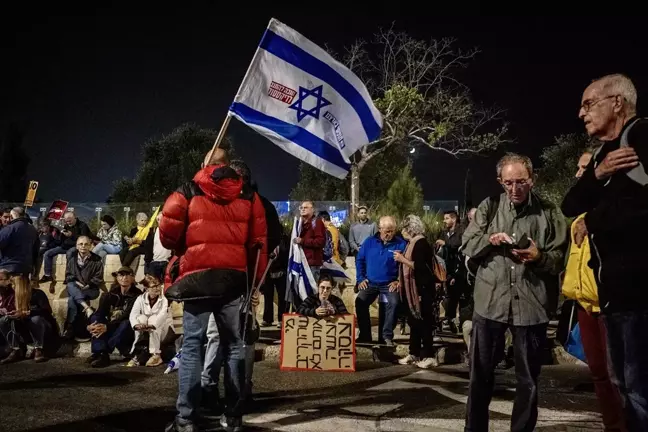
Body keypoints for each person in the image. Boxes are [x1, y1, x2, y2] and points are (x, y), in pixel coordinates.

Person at [561, 74, 648, 430]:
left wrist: (593, 221)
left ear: (617, 102)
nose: (581, 113)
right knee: (623, 389)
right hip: (613, 298)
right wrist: (598, 173)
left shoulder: (642, 137)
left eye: (588, 104)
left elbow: (639, 208)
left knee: (640, 392)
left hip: (642, 297)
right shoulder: (603, 154)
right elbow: (570, 204)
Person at [161, 144, 267, 432]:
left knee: (193, 346)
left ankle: (186, 419)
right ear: (229, 164)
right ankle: (233, 417)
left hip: (197, 278)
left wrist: (184, 243)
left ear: (206, 163)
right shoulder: (248, 194)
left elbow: (167, 232)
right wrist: (254, 283)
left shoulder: (189, 190)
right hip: (233, 280)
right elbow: (258, 244)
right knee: (234, 346)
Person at [462, 153, 567, 432]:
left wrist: (538, 256)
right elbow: (468, 245)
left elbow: (560, 259)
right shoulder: (490, 206)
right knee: (479, 377)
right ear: (500, 182)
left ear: (532, 179)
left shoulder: (549, 212)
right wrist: (489, 239)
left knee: (528, 380)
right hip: (490, 303)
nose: (514, 188)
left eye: (521, 181)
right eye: (508, 183)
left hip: (532, 306)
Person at [562, 149, 625, 431]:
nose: (579, 173)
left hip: (612, 307)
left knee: (621, 377)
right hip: (585, 304)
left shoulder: (619, 209)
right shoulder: (577, 219)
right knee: (599, 373)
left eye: (585, 168)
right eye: (579, 168)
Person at [394, 215, 442, 369]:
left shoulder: (420, 244)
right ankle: (413, 353)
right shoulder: (412, 244)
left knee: (424, 323)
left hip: (422, 290)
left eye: (404, 229)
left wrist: (403, 260)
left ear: (410, 229)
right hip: (414, 291)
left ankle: (428, 355)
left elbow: (421, 267)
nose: (402, 232)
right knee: (414, 322)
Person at [355, 216, 407, 346]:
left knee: (394, 303)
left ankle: (386, 336)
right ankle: (365, 335)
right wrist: (360, 278)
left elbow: (405, 266)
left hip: (389, 283)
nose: (389, 234)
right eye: (386, 231)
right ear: (379, 229)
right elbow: (359, 260)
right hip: (371, 283)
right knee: (360, 301)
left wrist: (399, 281)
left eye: (392, 231)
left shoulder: (401, 244)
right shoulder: (369, 242)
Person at [0, 270, 59, 364]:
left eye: (15, 285)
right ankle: (16, 349)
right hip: (26, 330)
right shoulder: (14, 297)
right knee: (4, 320)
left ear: (21, 286)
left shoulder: (37, 294)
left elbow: (47, 311)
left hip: (43, 329)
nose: (13, 287)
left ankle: (39, 349)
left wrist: (28, 313)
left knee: (35, 319)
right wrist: (13, 314)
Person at [86, 266, 140, 368]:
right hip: (112, 326)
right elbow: (100, 312)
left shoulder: (137, 295)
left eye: (128, 275)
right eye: (121, 275)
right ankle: (101, 353)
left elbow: (127, 316)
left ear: (133, 278)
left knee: (126, 323)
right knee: (95, 318)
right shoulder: (111, 294)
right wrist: (91, 325)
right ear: (117, 278)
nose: (124, 278)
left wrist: (107, 327)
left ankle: (103, 352)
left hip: (127, 331)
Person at [127, 273, 173, 367]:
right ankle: (137, 353)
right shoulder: (140, 298)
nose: (157, 288)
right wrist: (137, 325)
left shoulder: (164, 299)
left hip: (163, 328)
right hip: (147, 330)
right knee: (141, 318)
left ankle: (156, 354)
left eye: (158, 285)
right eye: (153, 287)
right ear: (146, 289)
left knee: (153, 319)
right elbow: (133, 314)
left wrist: (152, 325)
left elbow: (162, 315)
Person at [0, 207, 39, 315]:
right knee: (22, 305)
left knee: (8, 303)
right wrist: (35, 272)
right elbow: (36, 253)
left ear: (12, 216)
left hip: (8, 271)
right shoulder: (33, 230)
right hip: (25, 271)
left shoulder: (9, 229)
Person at [63, 236, 104, 339]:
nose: (83, 246)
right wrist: (77, 282)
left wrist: (88, 285)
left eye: (86, 244)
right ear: (77, 246)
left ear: (90, 246)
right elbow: (68, 276)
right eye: (80, 244)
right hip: (76, 287)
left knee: (73, 298)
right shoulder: (72, 259)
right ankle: (86, 309)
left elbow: (98, 278)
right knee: (71, 287)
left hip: (91, 289)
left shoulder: (97, 260)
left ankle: (70, 327)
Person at [436, 210, 467, 334]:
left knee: (459, 296)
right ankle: (449, 320)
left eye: (447, 218)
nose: (444, 221)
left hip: (459, 269)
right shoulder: (444, 232)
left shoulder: (462, 231)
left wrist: (446, 244)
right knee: (449, 296)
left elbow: (460, 245)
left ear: (454, 219)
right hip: (446, 268)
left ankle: (460, 321)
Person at [39, 211, 92, 283]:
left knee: (69, 253)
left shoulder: (82, 225)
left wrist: (71, 235)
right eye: (66, 221)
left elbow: (84, 238)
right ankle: (47, 275)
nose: (68, 223)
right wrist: (62, 235)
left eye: (69, 221)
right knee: (48, 253)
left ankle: (68, 276)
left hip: (76, 246)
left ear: (74, 218)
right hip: (65, 245)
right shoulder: (66, 225)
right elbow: (63, 238)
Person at [293, 201, 326, 283]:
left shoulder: (316, 222)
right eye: (301, 207)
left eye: (306, 207)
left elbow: (320, 242)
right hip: (302, 263)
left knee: (311, 292)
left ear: (312, 210)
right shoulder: (300, 224)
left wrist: (302, 241)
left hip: (312, 265)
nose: (303, 209)